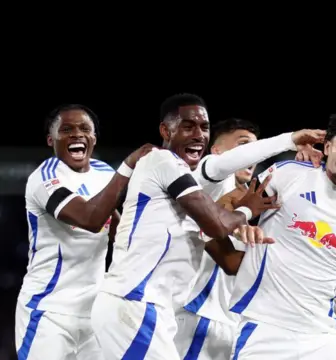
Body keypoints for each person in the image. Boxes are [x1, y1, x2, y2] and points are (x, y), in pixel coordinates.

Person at [90, 93, 277, 360]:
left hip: (165, 309)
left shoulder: (207, 188)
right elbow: (218, 228)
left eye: (204, 127)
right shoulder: (181, 167)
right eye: (189, 126)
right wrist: (290, 140)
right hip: (152, 305)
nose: (199, 134)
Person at [226, 107, 336, 360]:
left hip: (321, 336)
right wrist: (241, 220)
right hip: (264, 325)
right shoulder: (288, 174)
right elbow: (231, 203)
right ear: (327, 146)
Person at [175, 117, 325, 360]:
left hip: (232, 320)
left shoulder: (254, 199)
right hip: (199, 311)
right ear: (217, 151)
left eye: (255, 149)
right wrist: (289, 141)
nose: (252, 157)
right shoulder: (211, 177)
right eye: (244, 146)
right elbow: (228, 256)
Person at [15, 104, 153, 360]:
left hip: (94, 311)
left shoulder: (104, 173)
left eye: (84, 129)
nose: (77, 134)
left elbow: (116, 228)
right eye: (66, 130)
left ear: (93, 139)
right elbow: (90, 218)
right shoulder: (44, 178)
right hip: (47, 310)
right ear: (51, 140)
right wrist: (128, 167)